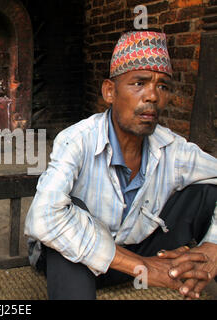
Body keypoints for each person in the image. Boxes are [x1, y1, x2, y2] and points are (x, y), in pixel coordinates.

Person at [25, 30, 217, 300]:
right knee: (68, 214)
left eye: (162, 86)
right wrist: (145, 267)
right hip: (82, 261)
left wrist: (213, 247)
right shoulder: (76, 140)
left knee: (207, 192)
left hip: (139, 246)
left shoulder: (173, 147)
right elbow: (42, 219)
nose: (152, 96)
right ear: (109, 92)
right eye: (139, 83)